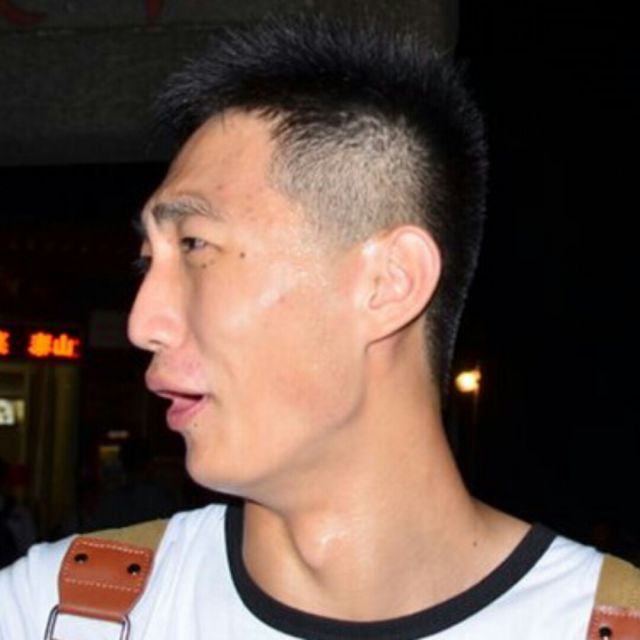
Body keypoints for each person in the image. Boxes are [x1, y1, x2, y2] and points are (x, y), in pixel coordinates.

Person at [0, 14, 617, 639]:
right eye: (146, 261)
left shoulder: (601, 622)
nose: (142, 323)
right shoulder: (61, 611)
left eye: (194, 245)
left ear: (389, 282)